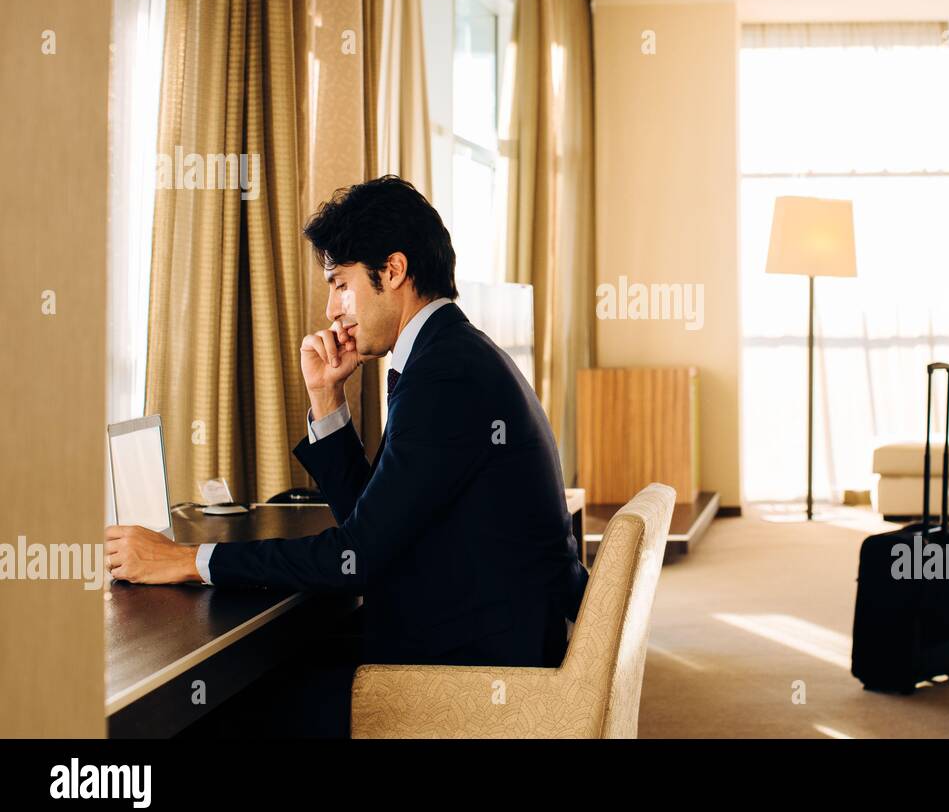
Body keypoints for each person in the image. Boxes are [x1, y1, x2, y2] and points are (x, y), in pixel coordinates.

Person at [105, 175, 588, 734]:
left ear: (394, 271)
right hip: (481, 632)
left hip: (475, 672)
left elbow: (355, 554)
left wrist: (185, 561)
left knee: (222, 708)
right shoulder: (448, 354)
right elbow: (374, 524)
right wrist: (326, 399)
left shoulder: (446, 374)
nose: (332, 308)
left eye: (339, 282)